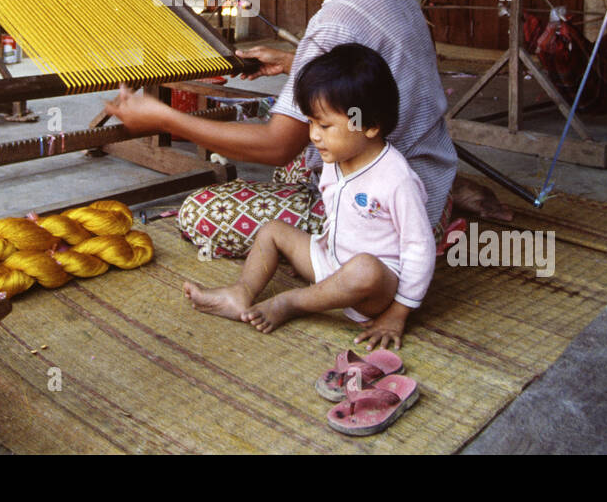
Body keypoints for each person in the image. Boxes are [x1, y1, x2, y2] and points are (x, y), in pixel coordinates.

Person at [104, 0, 504, 258]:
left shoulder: (334, 21)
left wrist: (164, 118)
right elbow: (379, 72)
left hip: (386, 215)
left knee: (201, 211)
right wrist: (296, 62)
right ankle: (448, 194)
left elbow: (276, 144)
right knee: (301, 158)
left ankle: (373, 251)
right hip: (422, 172)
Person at [184, 44, 434, 350]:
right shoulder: (334, 159)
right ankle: (240, 292)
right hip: (332, 263)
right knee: (273, 231)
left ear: (370, 125)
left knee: (364, 267)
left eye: (325, 125)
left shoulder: (397, 179)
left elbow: (419, 247)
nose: (314, 135)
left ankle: (291, 302)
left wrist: (398, 312)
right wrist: (322, 247)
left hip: (374, 289)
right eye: (312, 123)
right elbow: (336, 213)